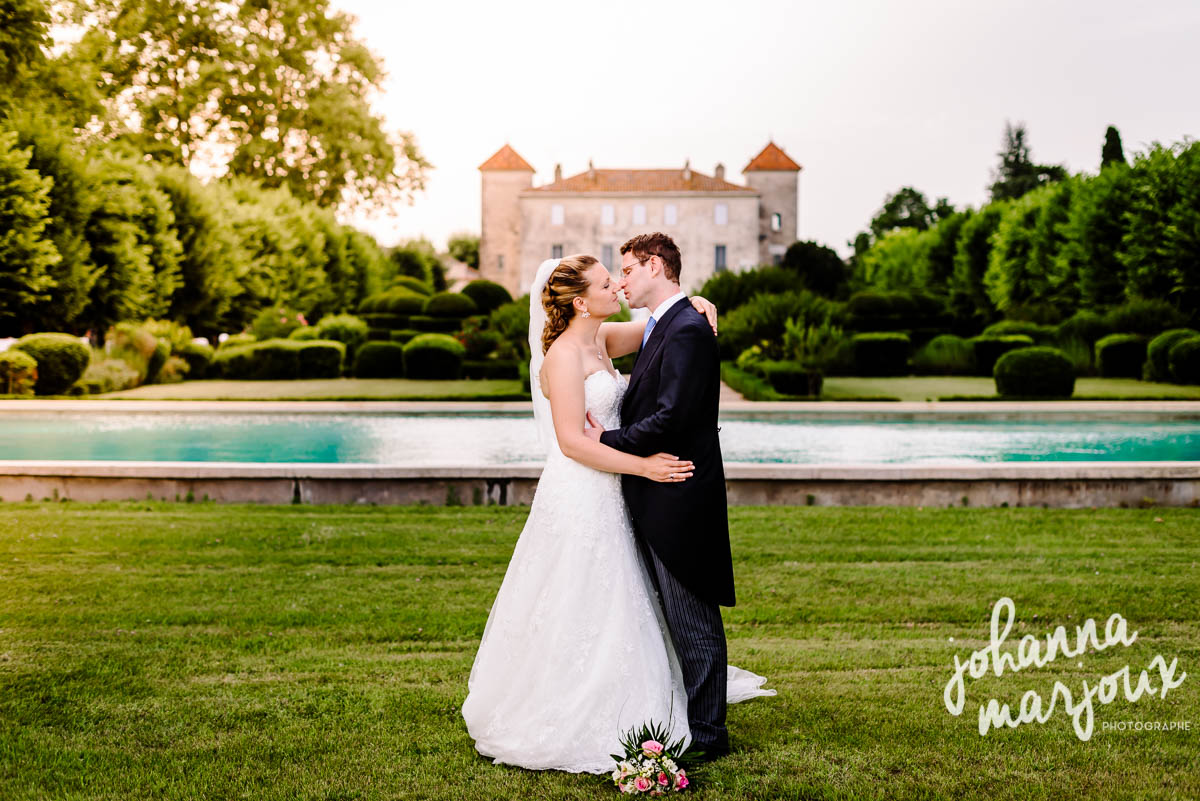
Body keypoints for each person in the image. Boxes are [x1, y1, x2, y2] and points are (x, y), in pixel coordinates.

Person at [461, 253, 773, 774]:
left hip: (616, 489)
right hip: (584, 489)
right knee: (578, 598)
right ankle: (566, 705)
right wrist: (644, 467)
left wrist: (695, 302)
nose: (618, 288)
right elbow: (572, 444)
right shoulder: (562, 358)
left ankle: (646, 697)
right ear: (581, 301)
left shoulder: (602, 339)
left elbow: (662, 325)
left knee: (628, 597)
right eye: (608, 284)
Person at [584, 232, 748, 761]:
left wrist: (604, 441)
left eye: (628, 270)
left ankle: (708, 735)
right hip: (656, 491)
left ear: (656, 266)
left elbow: (673, 417)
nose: (623, 280)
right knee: (672, 617)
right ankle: (686, 717)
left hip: (679, 491)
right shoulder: (665, 324)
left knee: (692, 616)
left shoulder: (686, 330)